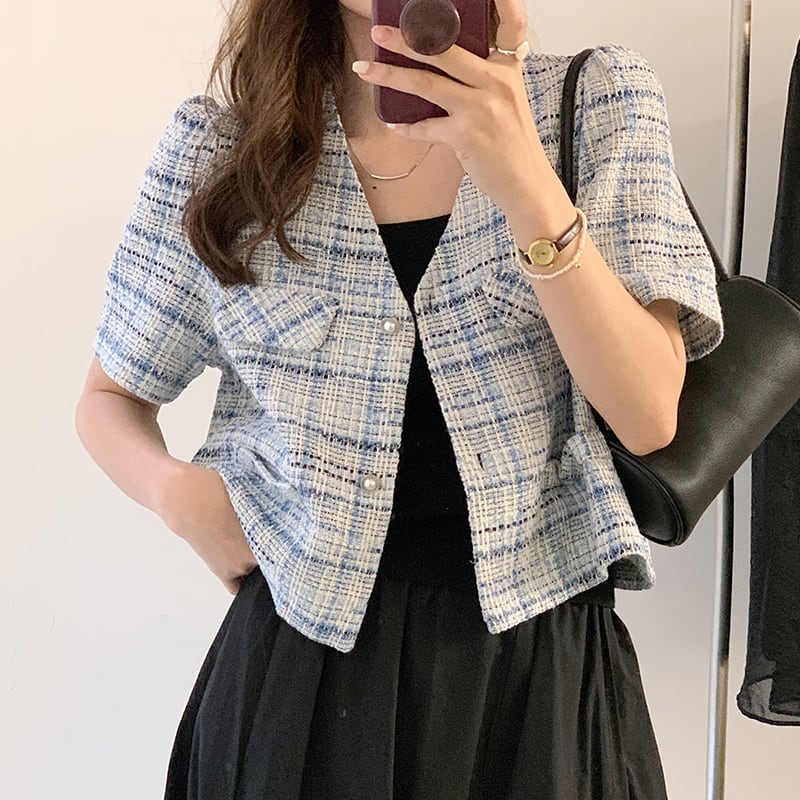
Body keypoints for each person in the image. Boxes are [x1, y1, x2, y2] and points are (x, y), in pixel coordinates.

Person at [74, 0, 724, 796]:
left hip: (534, 683)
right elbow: (108, 397)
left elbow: (648, 413)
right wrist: (177, 495)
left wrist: (522, 176)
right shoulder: (224, 148)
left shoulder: (597, 101)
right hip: (297, 680)